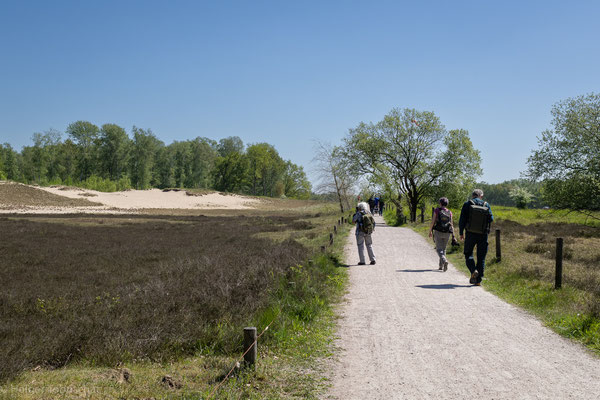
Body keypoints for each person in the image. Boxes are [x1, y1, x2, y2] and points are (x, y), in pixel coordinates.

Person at [459, 189, 494, 286]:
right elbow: (491, 219)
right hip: (483, 234)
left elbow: (462, 219)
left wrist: (461, 232)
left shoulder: (467, 204)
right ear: (481, 196)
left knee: (468, 253)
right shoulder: (486, 205)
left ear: (473, 195)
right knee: (481, 257)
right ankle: (478, 281)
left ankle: (473, 270)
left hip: (470, 233)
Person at [428, 197, 454, 272]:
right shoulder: (449, 212)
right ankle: (441, 266)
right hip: (447, 232)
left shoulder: (437, 210)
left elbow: (433, 222)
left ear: (440, 203)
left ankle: (444, 260)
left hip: (438, 231)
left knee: (439, 249)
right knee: (443, 249)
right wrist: (453, 235)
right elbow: (451, 224)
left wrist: (430, 231)